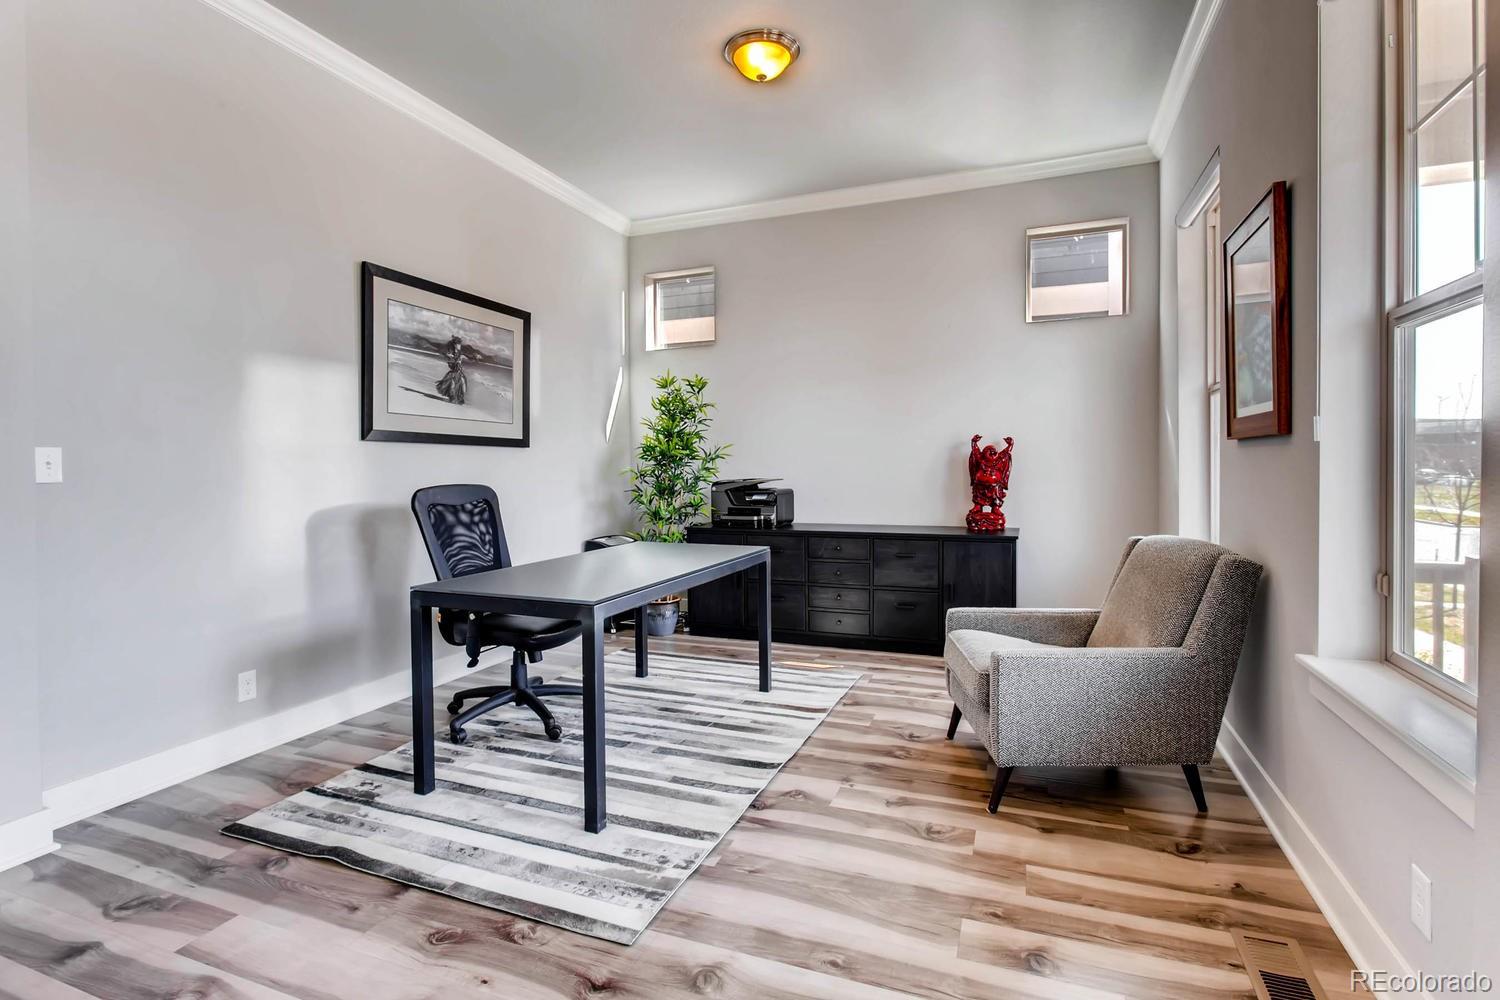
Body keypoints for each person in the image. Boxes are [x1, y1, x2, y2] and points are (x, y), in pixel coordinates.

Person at [435, 335, 467, 405]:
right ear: (455, 345)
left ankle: (460, 399)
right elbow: (442, 352)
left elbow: (466, 356)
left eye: (460, 344)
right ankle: (452, 398)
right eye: (458, 344)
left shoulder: (460, 353)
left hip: (459, 373)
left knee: (463, 387)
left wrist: (474, 356)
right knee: (452, 386)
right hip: (453, 373)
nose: (460, 346)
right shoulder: (450, 353)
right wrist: (448, 356)